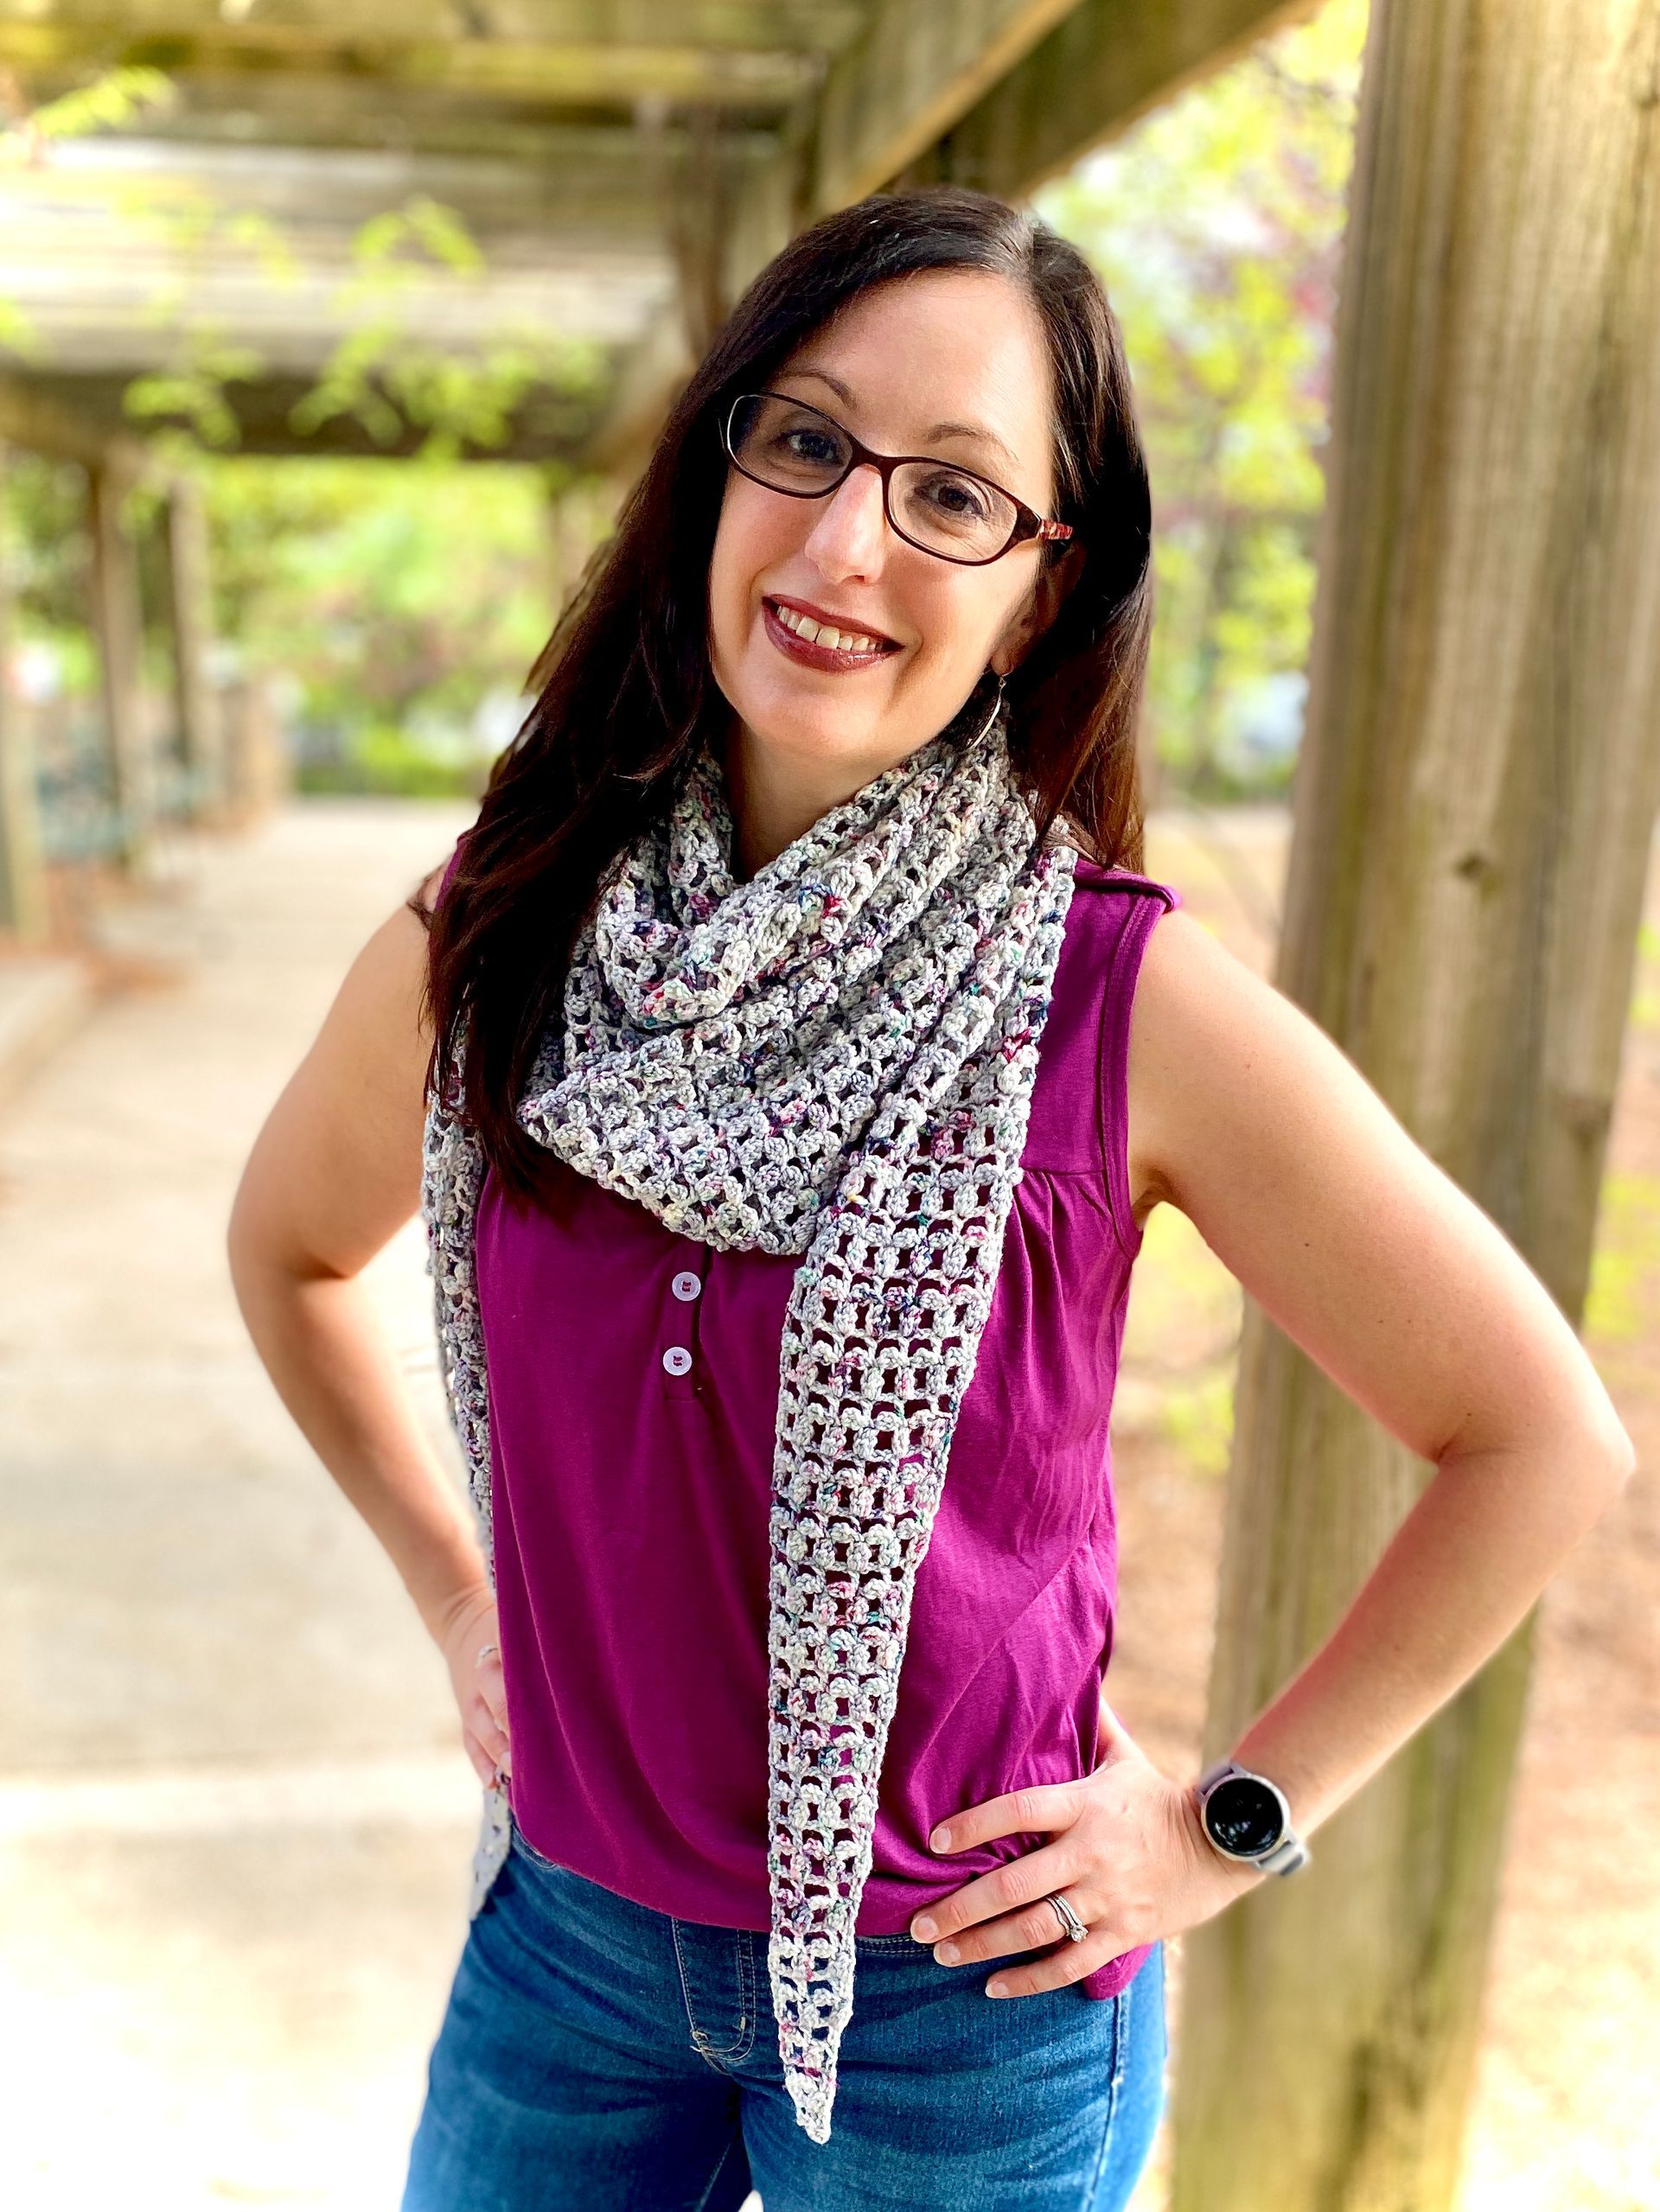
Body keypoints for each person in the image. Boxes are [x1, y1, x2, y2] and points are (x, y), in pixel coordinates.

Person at [227, 186, 1635, 2211]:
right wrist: (463, 1593)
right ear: (719, 461)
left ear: (1046, 585)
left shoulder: (1120, 1003)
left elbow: (1535, 1436)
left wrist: (1223, 1821)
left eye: (955, 494)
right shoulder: (498, 940)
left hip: (969, 2007)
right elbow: (290, 1250)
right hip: (571, 1955)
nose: (845, 542)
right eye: (803, 440)